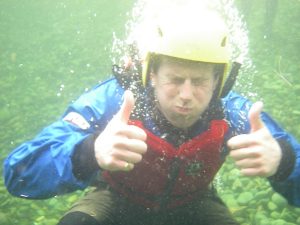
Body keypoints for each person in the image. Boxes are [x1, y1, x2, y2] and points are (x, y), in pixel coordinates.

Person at [3, 9, 300, 225]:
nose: (186, 95)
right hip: (113, 198)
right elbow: (18, 175)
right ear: (152, 75)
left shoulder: (235, 111)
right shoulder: (115, 100)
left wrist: (284, 162)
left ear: (220, 82)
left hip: (195, 204)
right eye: (175, 79)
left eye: (199, 82)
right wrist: (86, 153)